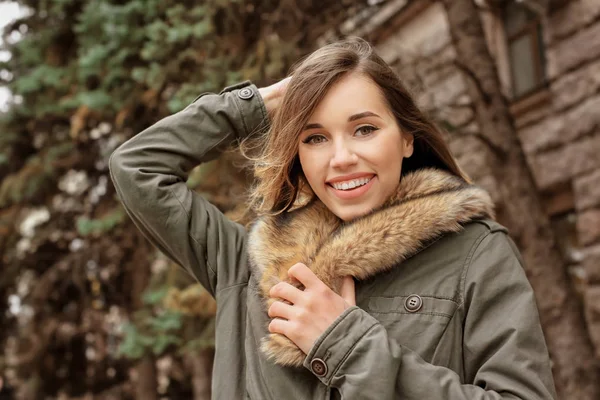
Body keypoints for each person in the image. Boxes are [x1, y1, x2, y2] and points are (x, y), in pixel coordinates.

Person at [109, 37, 557, 399]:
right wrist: (254, 105)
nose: (341, 158)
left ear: (405, 139)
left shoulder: (473, 251)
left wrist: (346, 343)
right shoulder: (247, 264)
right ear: (298, 155)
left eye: (364, 129)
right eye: (315, 137)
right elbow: (137, 169)